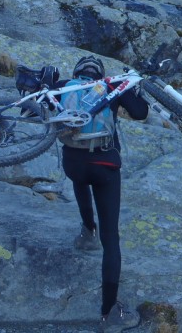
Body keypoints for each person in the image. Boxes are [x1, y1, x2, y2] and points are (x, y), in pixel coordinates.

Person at [56, 55, 149, 333]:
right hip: (105, 165)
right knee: (111, 240)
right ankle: (109, 313)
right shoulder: (112, 87)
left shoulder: (65, 86)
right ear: (100, 74)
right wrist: (133, 90)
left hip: (73, 164)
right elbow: (141, 113)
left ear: (78, 73)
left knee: (80, 179)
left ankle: (88, 232)